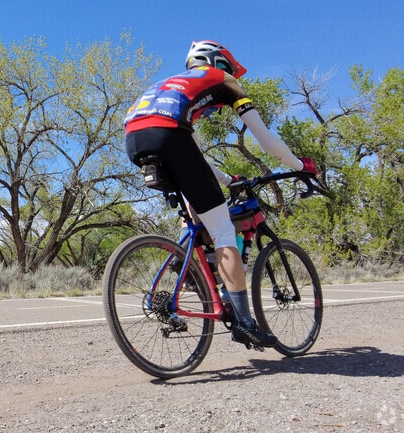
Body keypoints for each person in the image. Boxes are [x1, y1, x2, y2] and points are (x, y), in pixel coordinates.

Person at [124, 40, 318, 349]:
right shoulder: (223, 79)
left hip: (136, 137)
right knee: (225, 231)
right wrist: (301, 165)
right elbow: (268, 143)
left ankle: (188, 266)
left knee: (199, 219)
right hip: (170, 135)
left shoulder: (173, 85)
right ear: (221, 63)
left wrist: (227, 179)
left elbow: (194, 155)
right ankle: (244, 323)